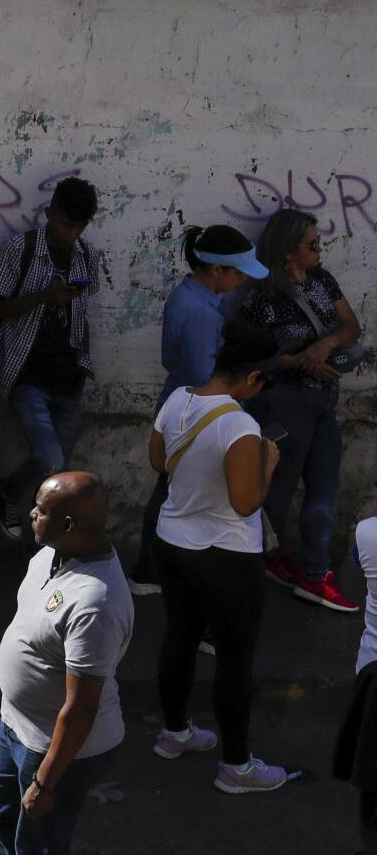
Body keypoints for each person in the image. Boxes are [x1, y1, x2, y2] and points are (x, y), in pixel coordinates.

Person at [147, 323, 291, 792]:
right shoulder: (239, 424)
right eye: (263, 382)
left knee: (180, 637)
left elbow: (158, 461)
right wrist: (267, 464)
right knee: (234, 657)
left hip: (171, 542)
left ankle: (174, 734)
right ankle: (236, 767)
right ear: (251, 378)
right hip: (226, 554)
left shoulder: (177, 399)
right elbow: (246, 503)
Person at [0, 472, 134, 854]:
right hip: (16, 725)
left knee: (39, 842)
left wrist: (44, 784)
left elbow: (80, 709)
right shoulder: (51, 554)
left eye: (40, 510)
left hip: (52, 748)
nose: (30, 513)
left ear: (68, 524)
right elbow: (26, 623)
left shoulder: (95, 605)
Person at [127, 225, 268, 593]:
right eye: (238, 273)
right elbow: (205, 375)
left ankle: (152, 567)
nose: (241, 281)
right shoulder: (199, 311)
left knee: (170, 489)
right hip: (199, 415)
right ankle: (150, 568)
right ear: (217, 270)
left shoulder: (192, 296)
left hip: (186, 406)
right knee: (171, 492)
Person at [238, 208, 363, 611]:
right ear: (288, 251)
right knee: (279, 488)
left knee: (324, 487)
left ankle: (316, 573)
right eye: (312, 244)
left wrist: (326, 345)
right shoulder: (262, 296)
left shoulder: (322, 280)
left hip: (324, 401)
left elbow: (350, 326)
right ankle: (261, 562)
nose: (320, 249)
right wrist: (301, 362)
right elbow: (251, 357)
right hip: (284, 401)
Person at [0, 178, 101, 539]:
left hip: (69, 376)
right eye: (66, 225)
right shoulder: (21, 249)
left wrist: (83, 358)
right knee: (51, 459)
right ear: (49, 213)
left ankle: (46, 538)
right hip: (26, 373)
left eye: (79, 227)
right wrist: (43, 296)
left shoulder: (86, 254)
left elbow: (83, 313)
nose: (72, 234)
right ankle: (8, 492)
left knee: (58, 473)